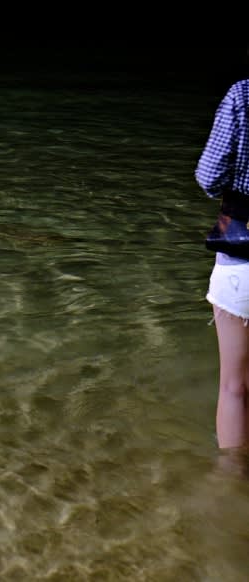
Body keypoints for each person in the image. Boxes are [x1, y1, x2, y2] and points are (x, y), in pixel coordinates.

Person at [198, 78, 249, 450]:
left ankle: (230, 487)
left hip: (242, 261)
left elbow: (210, 178)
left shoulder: (243, 94)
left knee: (234, 387)